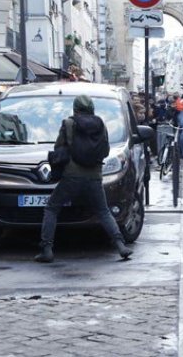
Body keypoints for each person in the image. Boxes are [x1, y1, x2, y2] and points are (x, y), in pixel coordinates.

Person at [35, 95, 133, 263]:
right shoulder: (101, 124)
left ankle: (46, 249)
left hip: (72, 176)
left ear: (75, 108)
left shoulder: (68, 124)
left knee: (52, 208)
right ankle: (120, 245)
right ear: (91, 108)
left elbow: (59, 149)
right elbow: (105, 149)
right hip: (94, 175)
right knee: (103, 211)